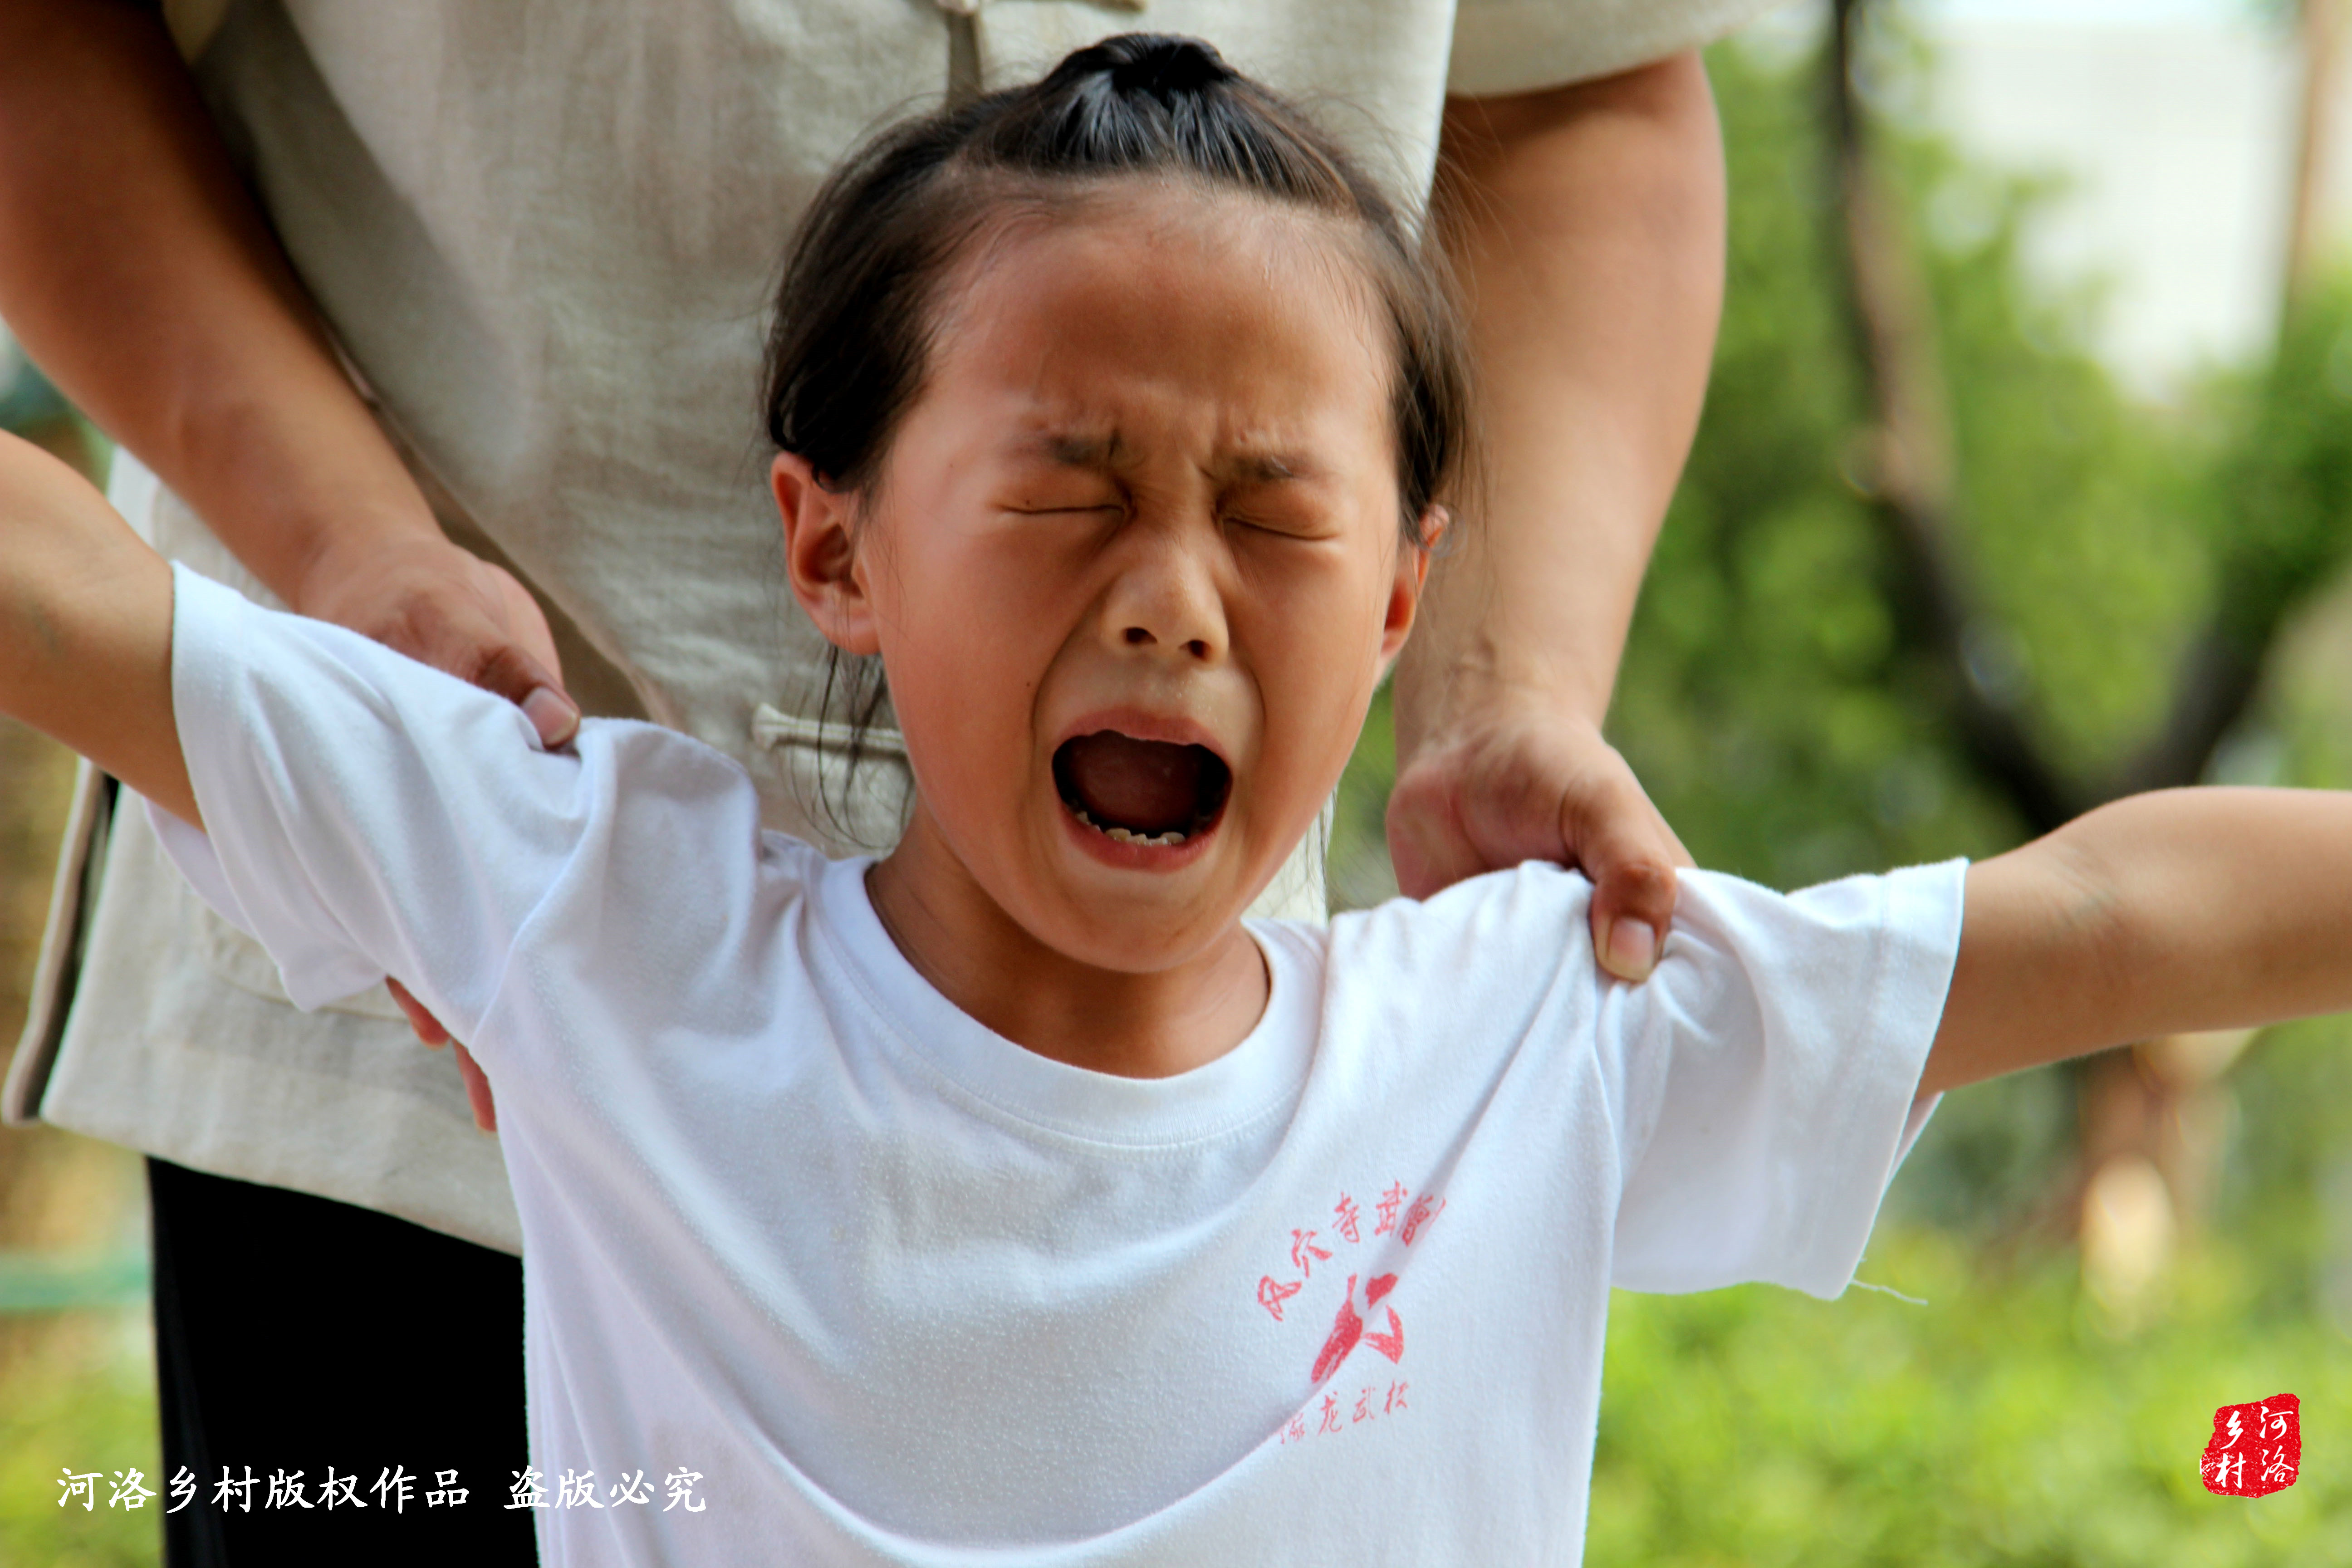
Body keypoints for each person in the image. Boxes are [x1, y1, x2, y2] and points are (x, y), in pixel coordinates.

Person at [6, 37, 2352, 1564]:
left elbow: (2123, 916)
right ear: (829, 540)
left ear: (1415, 574)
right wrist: (342, 553)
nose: (1174, 600)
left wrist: (1526, 692)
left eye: (1275, 508)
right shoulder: (589, 921)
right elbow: (84, 605)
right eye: (1070, 487)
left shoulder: (1522, 1036)